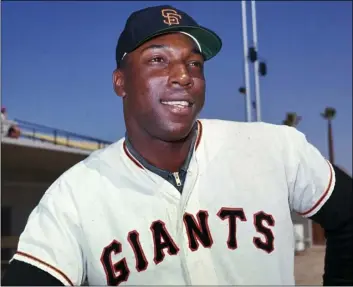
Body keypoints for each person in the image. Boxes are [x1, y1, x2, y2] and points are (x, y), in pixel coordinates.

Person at [2, 5, 352, 286]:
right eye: (158, 60)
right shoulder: (73, 197)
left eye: (194, 64)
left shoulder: (275, 147)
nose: (183, 75)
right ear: (120, 81)